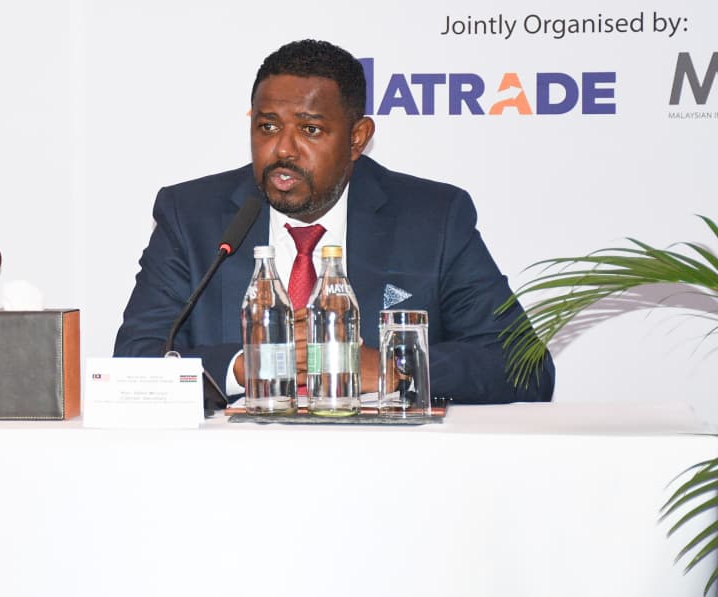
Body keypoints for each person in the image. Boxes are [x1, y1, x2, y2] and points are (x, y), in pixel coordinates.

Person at [113, 39, 555, 404]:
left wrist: (391, 368)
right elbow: (135, 359)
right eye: (267, 127)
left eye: (310, 130)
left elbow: (524, 366)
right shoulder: (191, 215)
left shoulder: (432, 217)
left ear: (357, 138)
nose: (283, 149)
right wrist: (243, 367)